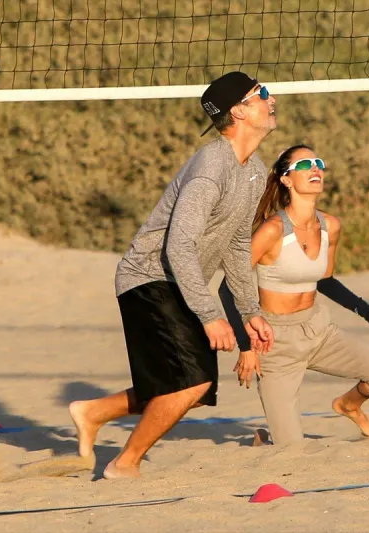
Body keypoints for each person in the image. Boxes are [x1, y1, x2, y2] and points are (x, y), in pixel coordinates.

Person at [69, 71, 277, 479]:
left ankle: (94, 412)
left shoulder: (254, 170)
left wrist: (250, 311)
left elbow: (237, 244)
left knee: (195, 391)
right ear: (238, 111)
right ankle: (124, 464)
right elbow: (178, 246)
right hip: (149, 275)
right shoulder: (211, 166)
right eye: (262, 94)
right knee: (191, 383)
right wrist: (210, 315)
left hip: (180, 280)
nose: (272, 99)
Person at [218, 144, 369, 446]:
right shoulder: (272, 230)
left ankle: (348, 405)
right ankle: (263, 440)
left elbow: (325, 281)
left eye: (318, 162)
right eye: (305, 165)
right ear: (286, 179)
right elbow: (228, 286)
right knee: (291, 449)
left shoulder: (330, 226)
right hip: (274, 343)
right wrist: (246, 346)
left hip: (318, 331)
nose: (315, 168)